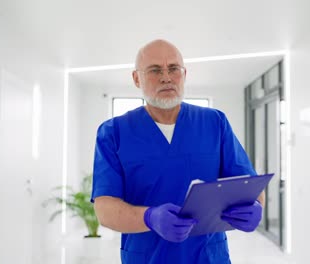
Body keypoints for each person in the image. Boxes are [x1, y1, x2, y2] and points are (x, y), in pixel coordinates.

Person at [91, 39, 264, 264]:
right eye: (155, 70)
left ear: (184, 74)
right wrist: (149, 217)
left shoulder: (214, 123)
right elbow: (105, 209)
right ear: (136, 78)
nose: (166, 77)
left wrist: (256, 207)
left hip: (209, 257)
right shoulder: (114, 132)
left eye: (173, 68)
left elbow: (250, 185)